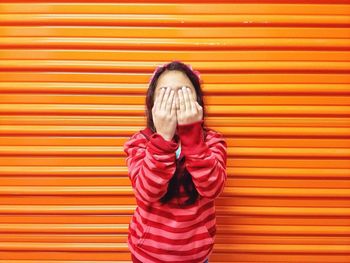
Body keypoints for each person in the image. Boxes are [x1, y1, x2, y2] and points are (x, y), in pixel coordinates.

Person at [123, 60, 227, 263]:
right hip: (147, 256)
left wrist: (192, 137)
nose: (175, 101)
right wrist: (162, 139)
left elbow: (212, 188)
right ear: (152, 104)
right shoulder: (139, 143)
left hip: (196, 257)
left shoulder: (213, 141)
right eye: (165, 94)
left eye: (183, 92)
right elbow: (148, 192)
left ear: (196, 101)